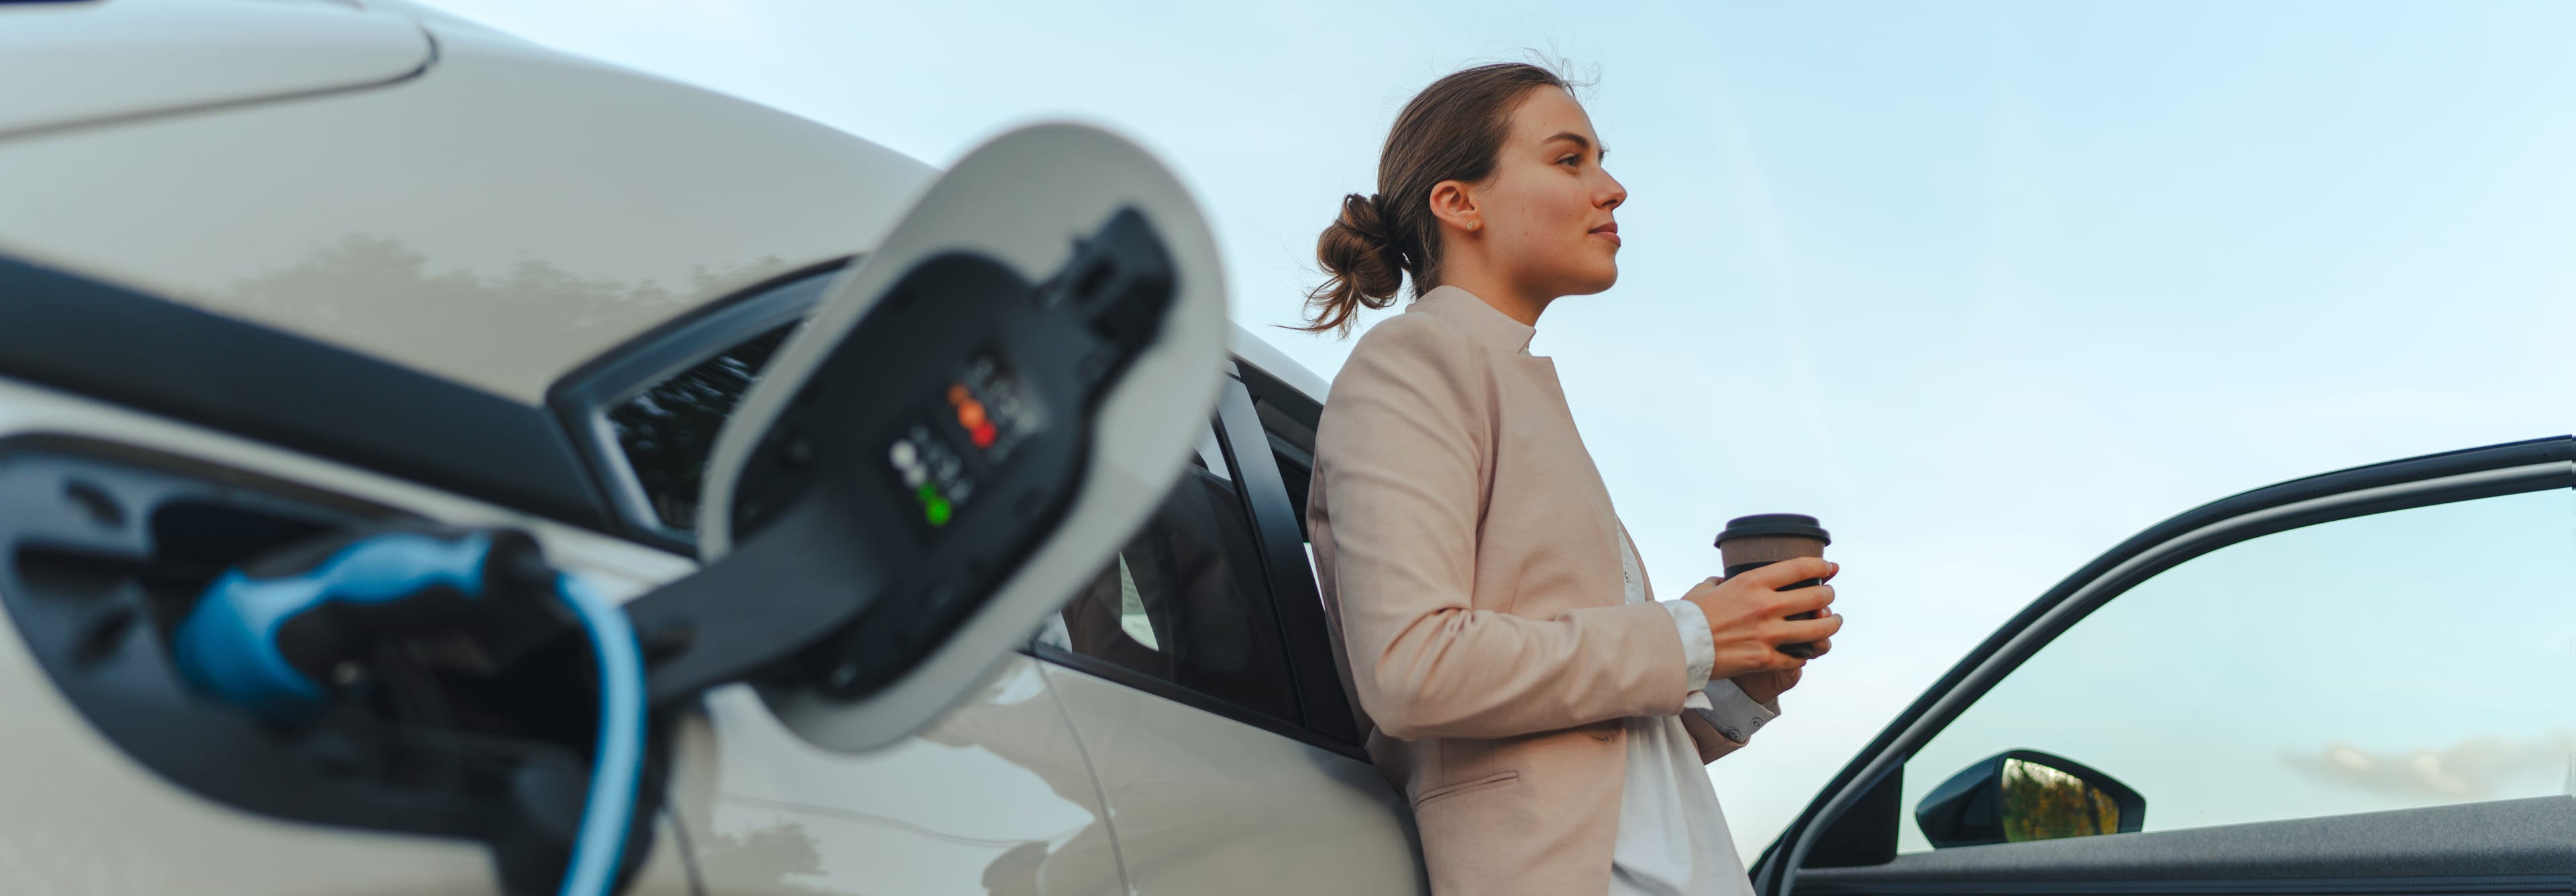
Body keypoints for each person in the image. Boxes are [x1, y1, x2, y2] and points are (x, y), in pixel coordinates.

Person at [1298, 62, 1845, 896]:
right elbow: (1412, 667)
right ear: (1460, 203)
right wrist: (1691, 633)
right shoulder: (1414, 363)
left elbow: (1589, 754)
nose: (1613, 188)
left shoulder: (1515, 386)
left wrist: (1733, 679)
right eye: (1569, 160)